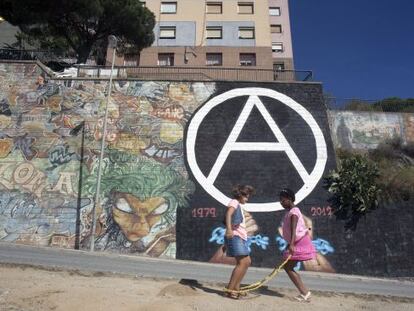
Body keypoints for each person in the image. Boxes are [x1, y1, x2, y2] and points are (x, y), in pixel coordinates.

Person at [280, 188, 316, 302]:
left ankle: (305, 293)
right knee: (288, 267)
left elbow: (294, 229)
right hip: (297, 241)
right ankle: (304, 292)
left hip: (299, 242)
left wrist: (291, 244)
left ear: (290, 199)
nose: (281, 202)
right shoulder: (291, 211)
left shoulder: (294, 212)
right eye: (280, 200)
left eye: (283, 200)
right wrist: (289, 243)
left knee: (288, 267)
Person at [224, 184, 255, 299]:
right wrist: (229, 230)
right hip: (235, 236)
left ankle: (235, 289)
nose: (247, 198)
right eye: (246, 196)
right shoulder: (234, 202)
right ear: (240, 195)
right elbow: (228, 214)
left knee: (246, 262)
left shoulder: (239, 205)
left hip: (240, 237)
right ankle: (229, 290)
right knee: (243, 262)